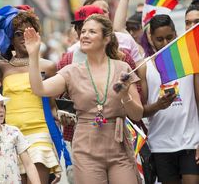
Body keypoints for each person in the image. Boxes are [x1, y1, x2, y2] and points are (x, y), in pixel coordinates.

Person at [25, 14, 144, 183]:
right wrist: (33, 55)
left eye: (92, 32)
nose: (84, 35)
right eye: (84, 31)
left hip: (119, 149)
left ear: (106, 38)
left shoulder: (122, 68)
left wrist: (125, 96)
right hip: (86, 150)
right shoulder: (71, 71)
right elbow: (39, 89)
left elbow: (137, 114)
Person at [0, 0, 61, 183]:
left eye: (30, 32)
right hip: (10, 137)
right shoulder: (3, 67)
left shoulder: (48, 67)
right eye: (18, 34)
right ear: (11, 40)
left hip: (39, 134)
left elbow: (53, 103)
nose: (25, 37)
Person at [136, 14, 199, 184]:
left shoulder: (192, 62)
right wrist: (157, 105)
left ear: (176, 34)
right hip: (161, 146)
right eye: (159, 39)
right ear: (151, 39)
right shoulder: (144, 67)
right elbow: (139, 111)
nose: (165, 44)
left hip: (190, 142)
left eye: (170, 37)